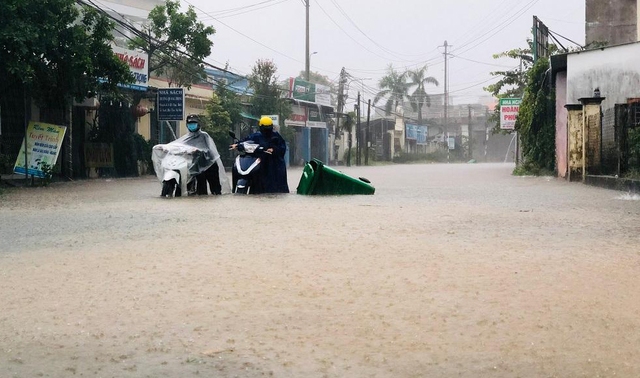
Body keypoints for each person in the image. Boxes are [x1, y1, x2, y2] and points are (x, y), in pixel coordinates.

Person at [230, 116, 289, 194]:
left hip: (273, 163)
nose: (267, 130)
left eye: (268, 128)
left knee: (275, 184)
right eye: (265, 128)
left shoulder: (276, 136)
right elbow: (245, 141)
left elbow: (282, 148)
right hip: (259, 162)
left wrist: (273, 150)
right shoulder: (256, 136)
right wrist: (237, 145)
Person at [182, 114, 231, 195]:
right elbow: (179, 146)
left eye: (194, 123)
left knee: (215, 189)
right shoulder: (186, 138)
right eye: (190, 124)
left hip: (209, 163)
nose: (192, 125)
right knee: (201, 188)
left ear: (198, 124)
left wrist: (199, 150)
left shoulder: (204, 135)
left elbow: (209, 148)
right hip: (195, 165)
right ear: (187, 125)